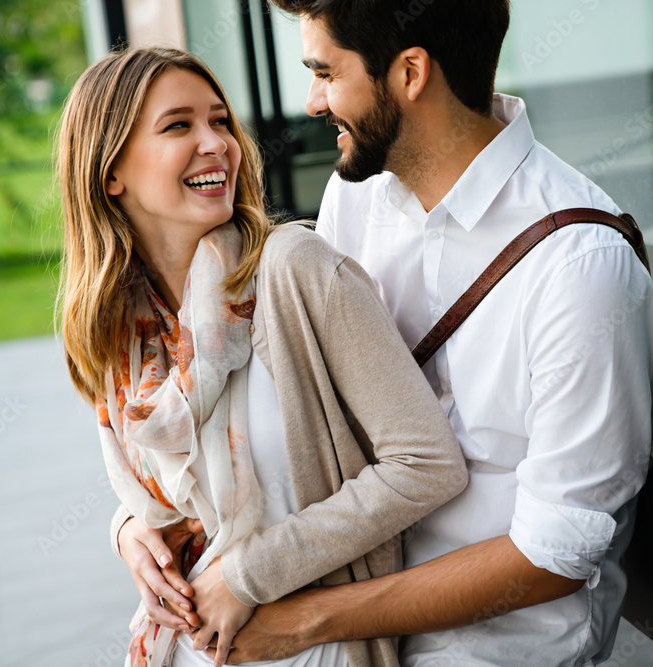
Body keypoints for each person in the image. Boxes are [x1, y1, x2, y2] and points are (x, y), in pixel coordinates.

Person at [119, 1, 653, 665]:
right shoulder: (358, 198)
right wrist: (135, 526)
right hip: (354, 622)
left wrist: (308, 620)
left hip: (489, 649)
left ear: (409, 73)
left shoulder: (580, 264)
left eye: (325, 71)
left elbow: (553, 558)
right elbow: (282, 416)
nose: (314, 100)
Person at [56, 46, 468, 667]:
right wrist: (131, 531)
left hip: (320, 651)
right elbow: (188, 484)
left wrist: (248, 573)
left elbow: (427, 465)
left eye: (220, 121)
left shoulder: (293, 271)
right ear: (110, 171)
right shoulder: (120, 328)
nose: (217, 143)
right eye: (179, 126)